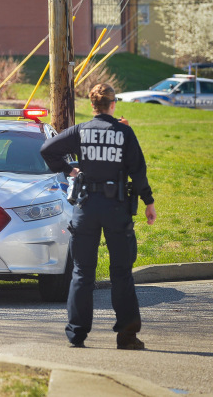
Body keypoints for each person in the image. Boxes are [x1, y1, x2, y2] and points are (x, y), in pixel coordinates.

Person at [40, 83, 157, 350]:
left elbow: (47, 149)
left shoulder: (81, 131)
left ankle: (77, 335)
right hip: (116, 208)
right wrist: (148, 202)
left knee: (82, 272)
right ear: (113, 104)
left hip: (86, 207)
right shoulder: (123, 131)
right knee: (121, 273)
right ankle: (126, 337)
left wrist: (69, 170)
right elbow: (138, 170)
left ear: (93, 106)